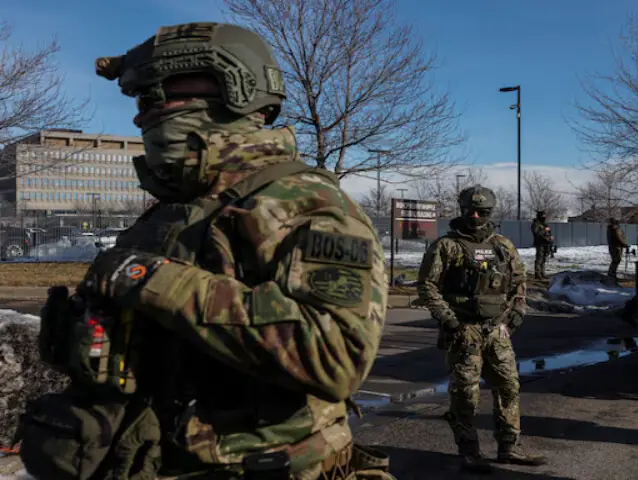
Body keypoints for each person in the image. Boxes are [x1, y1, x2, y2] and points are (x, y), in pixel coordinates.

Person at [19, 22, 392, 480]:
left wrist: (148, 280)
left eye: (164, 91)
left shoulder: (303, 203)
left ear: (234, 88)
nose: (148, 112)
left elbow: (334, 356)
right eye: (141, 99)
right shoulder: (176, 210)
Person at [417, 185, 546, 473]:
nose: (476, 216)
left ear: (491, 212)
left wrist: (517, 313)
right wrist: (449, 320)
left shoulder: (502, 245)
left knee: (509, 386)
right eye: (470, 211)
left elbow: (518, 281)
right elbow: (427, 286)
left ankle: (509, 447)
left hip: (497, 330)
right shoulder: (446, 246)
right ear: (462, 210)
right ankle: (469, 451)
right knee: (465, 393)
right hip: (464, 331)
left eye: (483, 212)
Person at [531, 210, 553, 280]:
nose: (544, 217)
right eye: (543, 216)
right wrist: (544, 230)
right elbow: (536, 232)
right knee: (539, 258)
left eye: (544, 215)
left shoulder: (544, 224)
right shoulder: (536, 224)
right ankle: (537, 274)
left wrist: (550, 237)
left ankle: (542, 273)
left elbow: (548, 232)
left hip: (546, 242)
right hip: (540, 243)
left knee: (544, 258)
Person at [607, 217, 629, 282]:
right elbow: (619, 239)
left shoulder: (610, 229)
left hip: (613, 247)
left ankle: (611, 274)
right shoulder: (616, 229)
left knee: (615, 261)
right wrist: (625, 245)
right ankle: (611, 275)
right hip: (617, 247)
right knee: (616, 261)